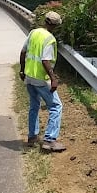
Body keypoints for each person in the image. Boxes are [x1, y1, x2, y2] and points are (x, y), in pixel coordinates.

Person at [19, 11, 65, 152]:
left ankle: (32, 136)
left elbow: (23, 52)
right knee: (56, 106)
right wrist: (53, 78)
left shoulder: (34, 33)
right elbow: (45, 60)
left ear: (45, 21)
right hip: (41, 79)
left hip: (29, 77)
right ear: (56, 26)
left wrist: (22, 70)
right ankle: (50, 140)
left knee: (34, 105)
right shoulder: (49, 39)